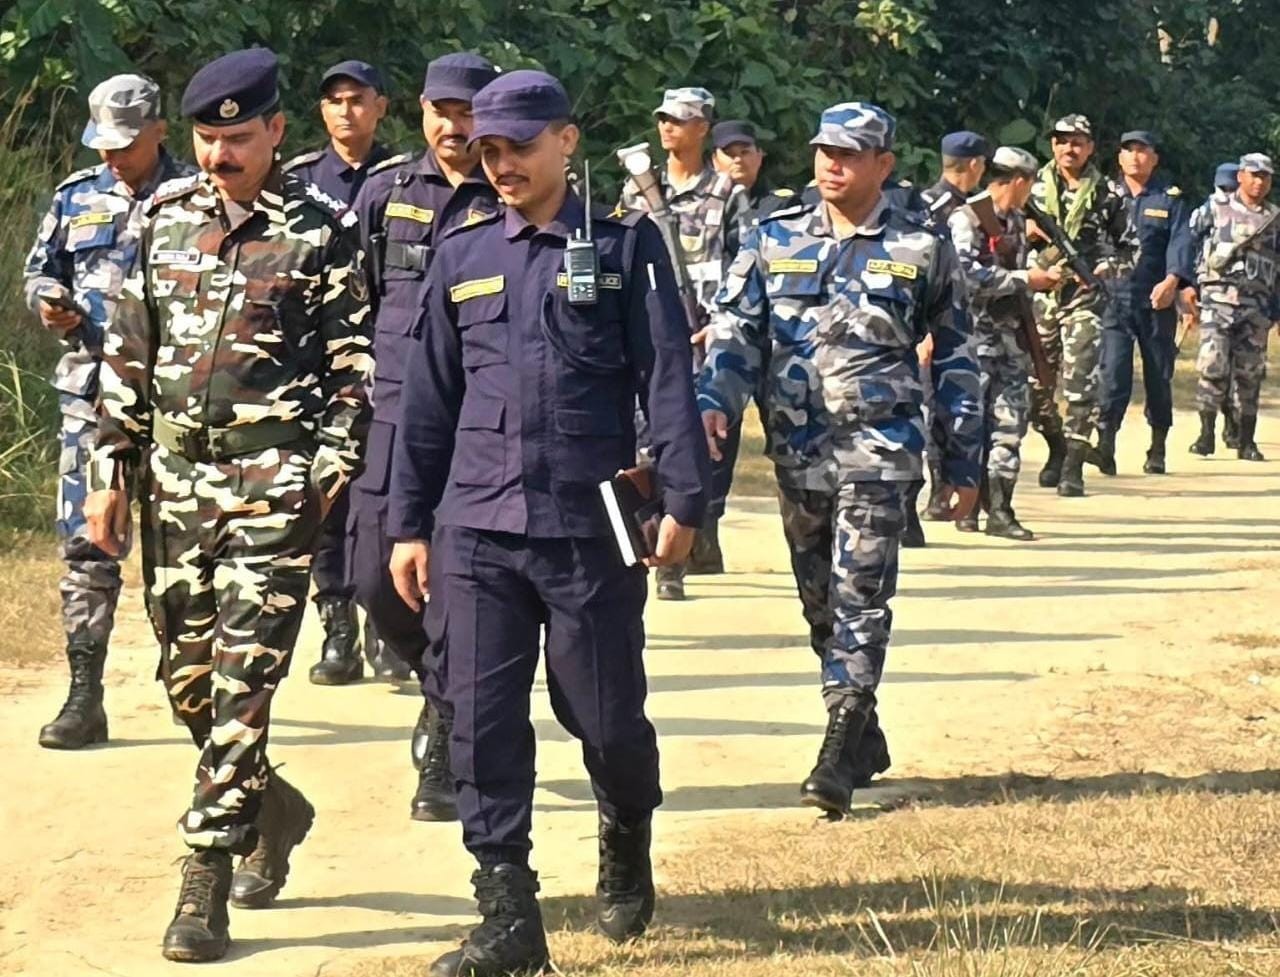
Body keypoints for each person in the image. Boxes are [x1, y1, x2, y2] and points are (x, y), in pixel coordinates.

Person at [387, 69, 709, 976]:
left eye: (518, 147)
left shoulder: (624, 246)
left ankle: (626, 826)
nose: (501, 165)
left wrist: (684, 500)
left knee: (605, 717)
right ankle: (507, 912)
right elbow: (427, 402)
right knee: (479, 721)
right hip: (478, 525)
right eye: (487, 150)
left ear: (566, 141)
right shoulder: (462, 251)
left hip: (587, 524)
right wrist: (409, 522)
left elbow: (665, 374)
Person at [82, 48, 372, 962]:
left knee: (246, 680)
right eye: (206, 139)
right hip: (174, 489)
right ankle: (272, 807)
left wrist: (325, 473)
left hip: (272, 489)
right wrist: (107, 471)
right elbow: (127, 355)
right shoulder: (161, 220)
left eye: (237, 139)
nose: (218, 156)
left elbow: (355, 371)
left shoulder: (322, 228)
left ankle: (205, 874)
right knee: (189, 682)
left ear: (277, 131)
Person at [698, 101, 982, 818]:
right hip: (797, 454)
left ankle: (837, 748)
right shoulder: (772, 239)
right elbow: (735, 338)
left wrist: (964, 463)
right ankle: (866, 730)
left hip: (880, 455)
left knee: (860, 592)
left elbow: (956, 359)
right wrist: (713, 407)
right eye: (825, 150)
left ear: (883, 164)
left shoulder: (922, 247)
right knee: (819, 600)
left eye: (851, 154)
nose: (833, 163)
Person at [349, 51, 500, 820]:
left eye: (469, 111)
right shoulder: (386, 194)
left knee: (461, 584)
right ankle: (439, 682)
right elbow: (362, 301)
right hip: (395, 417)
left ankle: (447, 726)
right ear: (421, 111)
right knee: (375, 581)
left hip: (476, 424)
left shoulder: (510, 194)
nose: (454, 126)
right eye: (442, 110)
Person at [22, 74, 194, 750]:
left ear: (159, 130)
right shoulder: (76, 197)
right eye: (103, 145)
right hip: (91, 397)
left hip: (176, 402)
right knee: (88, 544)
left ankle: (190, 678)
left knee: (179, 546)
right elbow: (40, 270)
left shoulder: (197, 196)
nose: (111, 158)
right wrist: (49, 300)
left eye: (124, 144)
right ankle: (85, 694)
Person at [281, 59, 391, 683]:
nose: (345, 111)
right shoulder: (298, 179)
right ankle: (338, 631)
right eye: (333, 101)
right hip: (319, 364)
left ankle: (387, 623)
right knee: (327, 497)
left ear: (380, 106)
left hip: (390, 358)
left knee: (390, 496)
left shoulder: (403, 178)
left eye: (356, 99)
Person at [620, 86, 746, 596]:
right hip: (651, 327)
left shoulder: (727, 193)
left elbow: (744, 264)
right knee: (649, 435)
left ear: (703, 128)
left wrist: (721, 322)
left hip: (705, 331)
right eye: (663, 119)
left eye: (680, 119)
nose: (668, 127)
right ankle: (662, 550)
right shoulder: (636, 190)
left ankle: (695, 529)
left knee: (698, 436)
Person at [946, 146, 1061, 539]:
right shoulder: (967, 218)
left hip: (1011, 342)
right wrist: (1025, 280)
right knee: (970, 426)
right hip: (974, 341)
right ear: (1018, 181)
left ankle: (1000, 510)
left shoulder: (1015, 220)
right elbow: (965, 275)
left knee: (1009, 426)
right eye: (1028, 186)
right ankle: (967, 507)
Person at [1026, 114, 1137, 496]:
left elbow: (1129, 248)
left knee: (1080, 384)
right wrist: (1027, 238)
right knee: (1034, 387)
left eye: (1076, 142)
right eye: (1061, 141)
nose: (1067, 149)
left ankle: (1073, 464)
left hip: (1083, 298)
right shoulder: (1031, 190)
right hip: (1038, 299)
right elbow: (1002, 237)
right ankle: (1055, 446)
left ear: (1090, 147)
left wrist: (1108, 267)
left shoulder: (1107, 194)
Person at [1094, 130, 1196, 476]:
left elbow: (1181, 242)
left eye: (1143, 151)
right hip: (1113, 299)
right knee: (1113, 373)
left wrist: (1174, 281)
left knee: (1158, 374)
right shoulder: (1103, 195)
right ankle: (1105, 443)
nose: (1136, 157)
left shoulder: (1169, 199)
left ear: (1154, 158)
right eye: (1129, 150)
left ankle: (1158, 445)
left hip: (1156, 300)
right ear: (1119, 157)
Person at [917, 131, 988, 539]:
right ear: (975, 165)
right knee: (937, 409)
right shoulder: (941, 209)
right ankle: (939, 493)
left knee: (955, 411)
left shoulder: (979, 208)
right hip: (944, 327)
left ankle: (955, 493)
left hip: (970, 325)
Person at [1187, 153, 1279, 461]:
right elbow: (1188, 241)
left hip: (1257, 307)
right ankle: (1205, 434)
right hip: (1218, 300)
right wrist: (1186, 285)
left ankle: (1246, 440)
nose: (1259, 181)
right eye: (1253, 174)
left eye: (1265, 176)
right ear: (1240, 176)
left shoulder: (1274, 219)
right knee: (1212, 366)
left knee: (1250, 374)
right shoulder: (1214, 208)